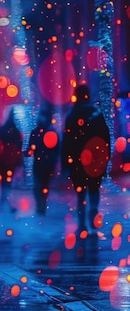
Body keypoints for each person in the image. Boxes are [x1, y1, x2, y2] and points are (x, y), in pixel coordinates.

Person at [61, 84, 110, 235]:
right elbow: (105, 137)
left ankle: (82, 223)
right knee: (94, 189)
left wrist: (65, 163)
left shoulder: (72, 116)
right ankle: (93, 213)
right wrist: (105, 158)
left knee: (80, 192)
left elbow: (67, 141)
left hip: (77, 162)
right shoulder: (97, 114)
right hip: (95, 161)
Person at [27, 107, 59, 216]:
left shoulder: (40, 132)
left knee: (41, 186)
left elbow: (56, 149)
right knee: (41, 186)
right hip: (43, 164)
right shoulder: (46, 132)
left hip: (43, 164)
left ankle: (41, 206)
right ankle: (41, 206)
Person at [0, 106, 23, 213]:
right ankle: (4, 201)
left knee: (4, 181)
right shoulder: (16, 131)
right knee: (8, 181)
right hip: (11, 161)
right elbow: (19, 146)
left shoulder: (2, 129)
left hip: (3, 160)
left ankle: (2, 202)